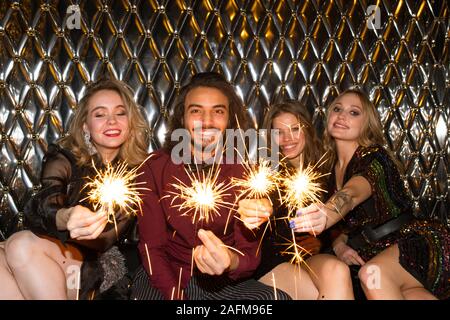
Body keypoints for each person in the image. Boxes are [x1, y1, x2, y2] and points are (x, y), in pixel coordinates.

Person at [130, 72, 290, 300]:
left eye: (218, 111)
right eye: (196, 111)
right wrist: (177, 298)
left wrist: (229, 261)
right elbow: (153, 248)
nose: (207, 121)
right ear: (182, 119)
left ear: (229, 120)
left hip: (222, 282)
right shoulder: (154, 168)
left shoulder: (244, 172)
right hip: (165, 278)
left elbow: (249, 256)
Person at [289, 88, 449, 300]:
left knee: (373, 274)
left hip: (414, 244)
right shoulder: (328, 170)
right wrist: (339, 245)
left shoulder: (375, 157)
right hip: (376, 255)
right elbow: (349, 225)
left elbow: (352, 194)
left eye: (354, 112)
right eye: (337, 109)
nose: (342, 115)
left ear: (367, 123)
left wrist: (327, 211)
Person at [0, 79, 149, 299]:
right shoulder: (64, 159)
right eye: (100, 114)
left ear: (130, 122)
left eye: (120, 113)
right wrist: (64, 216)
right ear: (85, 126)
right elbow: (43, 203)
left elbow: (106, 238)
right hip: (56, 255)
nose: (111, 121)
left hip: (106, 267)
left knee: (20, 245)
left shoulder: (143, 171)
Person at [238, 102, 354, 299]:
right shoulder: (267, 174)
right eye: (279, 132)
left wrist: (328, 241)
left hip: (314, 258)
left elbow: (342, 224)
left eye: (294, 129)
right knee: (317, 291)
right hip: (274, 260)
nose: (287, 139)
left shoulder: (328, 171)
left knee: (338, 270)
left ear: (307, 130)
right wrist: (260, 207)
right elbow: (266, 203)